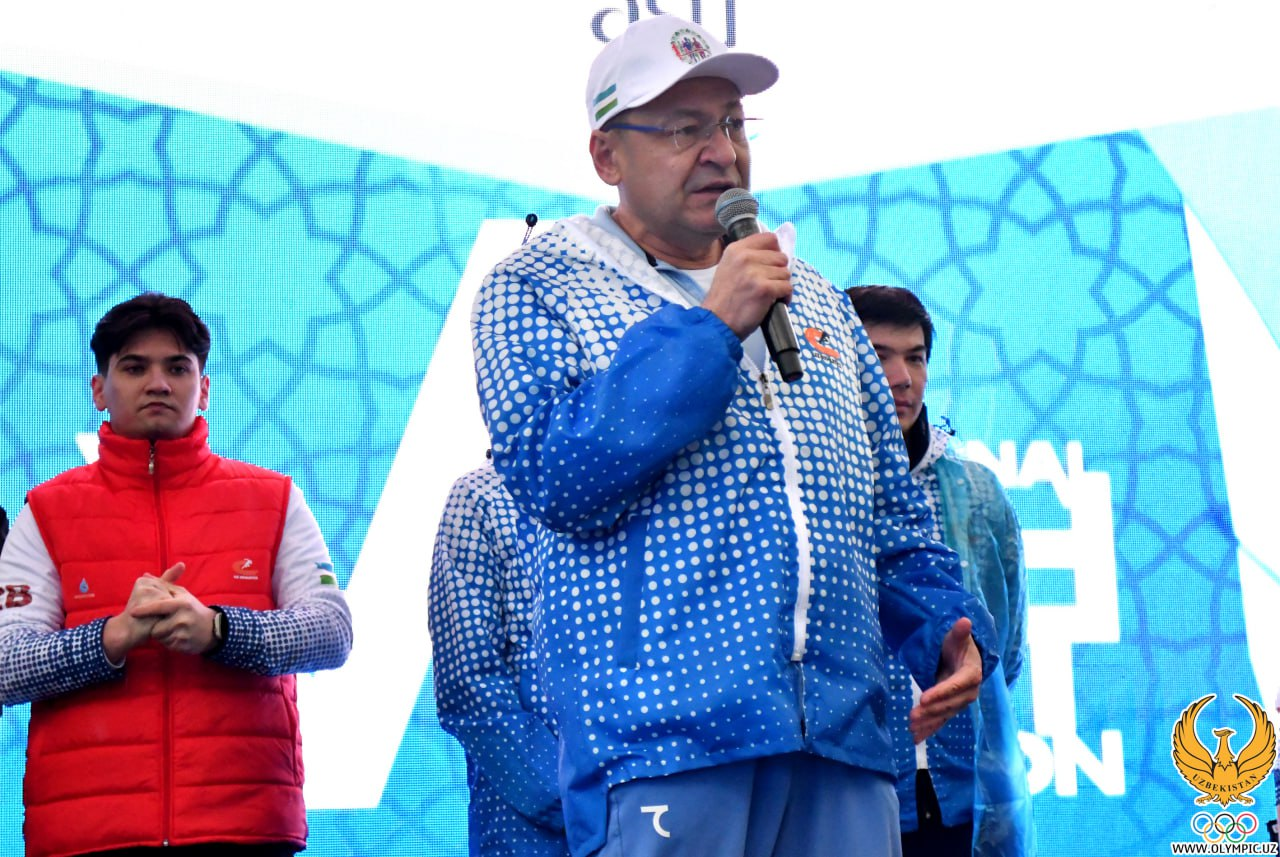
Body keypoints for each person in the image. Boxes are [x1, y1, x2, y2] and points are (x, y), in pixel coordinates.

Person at [470, 14, 1000, 857]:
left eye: (730, 124)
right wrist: (713, 326)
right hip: (665, 745)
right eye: (684, 129)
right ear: (607, 155)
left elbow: (891, 513)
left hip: (844, 743)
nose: (722, 152)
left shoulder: (814, 297)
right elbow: (556, 476)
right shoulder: (537, 286)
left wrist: (943, 626)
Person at [0, 292, 353, 857]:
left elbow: (332, 632)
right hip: (87, 834)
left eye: (177, 368)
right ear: (99, 390)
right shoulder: (45, 511)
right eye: (134, 368)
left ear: (204, 388)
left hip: (244, 828)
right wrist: (110, 638)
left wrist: (219, 631)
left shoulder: (275, 498)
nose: (158, 383)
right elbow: (5, 664)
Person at [848, 285, 1033, 857]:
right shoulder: (807, 488)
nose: (902, 378)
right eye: (878, 356)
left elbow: (1005, 648)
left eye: (916, 357)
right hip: (850, 783)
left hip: (960, 791)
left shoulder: (976, 491)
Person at [430, 460, 570, 857]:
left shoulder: (638, 485)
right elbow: (466, 684)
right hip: (530, 820)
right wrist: (567, 793)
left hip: (645, 796)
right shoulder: (483, 496)